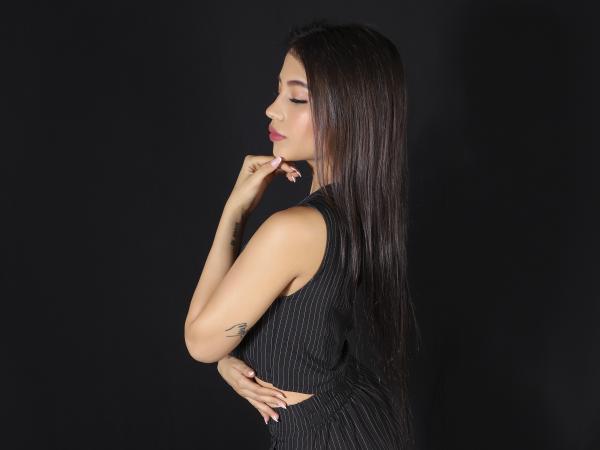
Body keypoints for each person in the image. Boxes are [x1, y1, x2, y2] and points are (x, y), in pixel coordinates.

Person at [184, 19, 418, 449]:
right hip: (347, 417)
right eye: (278, 92)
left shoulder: (293, 230)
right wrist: (229, 358)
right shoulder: (360, 206)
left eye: (296, 98)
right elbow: (295, 335)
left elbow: (200, 340)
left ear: (348, 112)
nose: (272, 110)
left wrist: (235, 210)